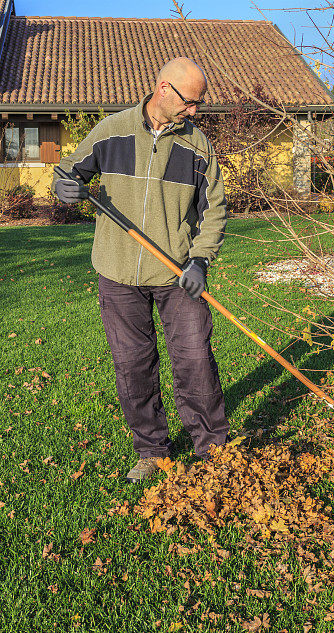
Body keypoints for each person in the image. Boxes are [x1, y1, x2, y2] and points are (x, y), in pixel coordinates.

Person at [51, 57, 229, 482]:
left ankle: (214, 452)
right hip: (117, 274)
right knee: (133, 366)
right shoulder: (111, 131)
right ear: (164, 89)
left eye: (199, 104)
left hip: (176, 277)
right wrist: (64, 187)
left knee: (195, 361)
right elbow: (65, 174)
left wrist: (200, 261)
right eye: (191, 101)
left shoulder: (197, 147)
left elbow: (215, 211)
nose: (195, 111)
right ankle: (152, 451)